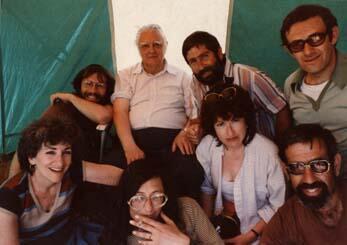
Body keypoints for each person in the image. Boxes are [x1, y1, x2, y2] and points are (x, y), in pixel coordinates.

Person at [112, 24, 204, 199]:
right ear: (138, 48)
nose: (151, 50)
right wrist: (129, 146)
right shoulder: (126, 75)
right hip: (135, 140)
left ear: (166, 45)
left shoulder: (183, 77)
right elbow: (120, 112)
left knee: (191, 171)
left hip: (173, 141)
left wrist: (185, 132)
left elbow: (194, 113)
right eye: (145, 46)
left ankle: (184, 219)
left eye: (157, 44)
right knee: (112, 166)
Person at [0, 117, 123, 244]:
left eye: (66, 152)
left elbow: (117, 176)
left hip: (70, 237)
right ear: (31, 157)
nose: (60, 163)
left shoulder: (70, 171)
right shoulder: (9, 197)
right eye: (50, 152)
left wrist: (141, 195)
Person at [196, 84, 286, 244]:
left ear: (247, 120)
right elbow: (207, 188)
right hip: (222, 226)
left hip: (260, 231)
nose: (229, 132)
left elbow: (278, 205)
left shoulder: (267, 152)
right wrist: (208, 233)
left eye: (235, 120)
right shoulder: (207, 147)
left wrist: (250, 236)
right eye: (220, 124)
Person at [182, 31, 291, 142]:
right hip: (225, 149)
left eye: (205, 57)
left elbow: (281, 109)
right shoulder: (196, 82)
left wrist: (281, 148)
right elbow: (203, 118)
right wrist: (189, 131)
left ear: (219, 53)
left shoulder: (250, 77)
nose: (200, 67)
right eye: (193, 61)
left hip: (259, 150)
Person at [281, 4, 347, 178]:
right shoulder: (291, 85)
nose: (308, 51)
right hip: (314, 186)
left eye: (316, 38)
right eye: (297, 45)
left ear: (333, 35)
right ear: (289, 51)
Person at [104, 157, 223, 245]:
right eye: (139, 198)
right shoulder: (118, 235)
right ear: (126, 199)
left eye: (156, 197)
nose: (149, 208)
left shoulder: (187, 207)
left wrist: (184, 243)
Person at [261, 124, 347, 244]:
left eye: (318, 165)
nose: (309, 179)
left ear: (336, 165)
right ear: (287, 172)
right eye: (297, 167)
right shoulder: (284, 222)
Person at [50, 64, 116, 163]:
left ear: (107, 89)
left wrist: (70, 98)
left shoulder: (107, 104)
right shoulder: (70, 100)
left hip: (83, 151)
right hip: (54, 143)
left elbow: (103, 117)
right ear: (80, 84)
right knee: (31, 138)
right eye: (88, 84)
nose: (93, 91)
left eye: (100, 86)